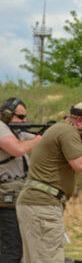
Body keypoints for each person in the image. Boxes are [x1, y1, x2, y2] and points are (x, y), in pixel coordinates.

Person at [16, 102, 82, 263]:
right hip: (42, 205)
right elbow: (80, 164)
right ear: (79, 120)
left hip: (36, 203)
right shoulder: (67, 132)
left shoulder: (62, 128)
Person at [0, 98, 41, 263]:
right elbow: (17, 149)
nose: (24, 121)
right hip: (6, 200)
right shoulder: (1, 128)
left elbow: (34, 140)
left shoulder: (14, 131)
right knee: (12, 251)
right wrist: (40, 138)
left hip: (15, 196)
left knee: (18, 249)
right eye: (20, 117)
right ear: (7, 115)